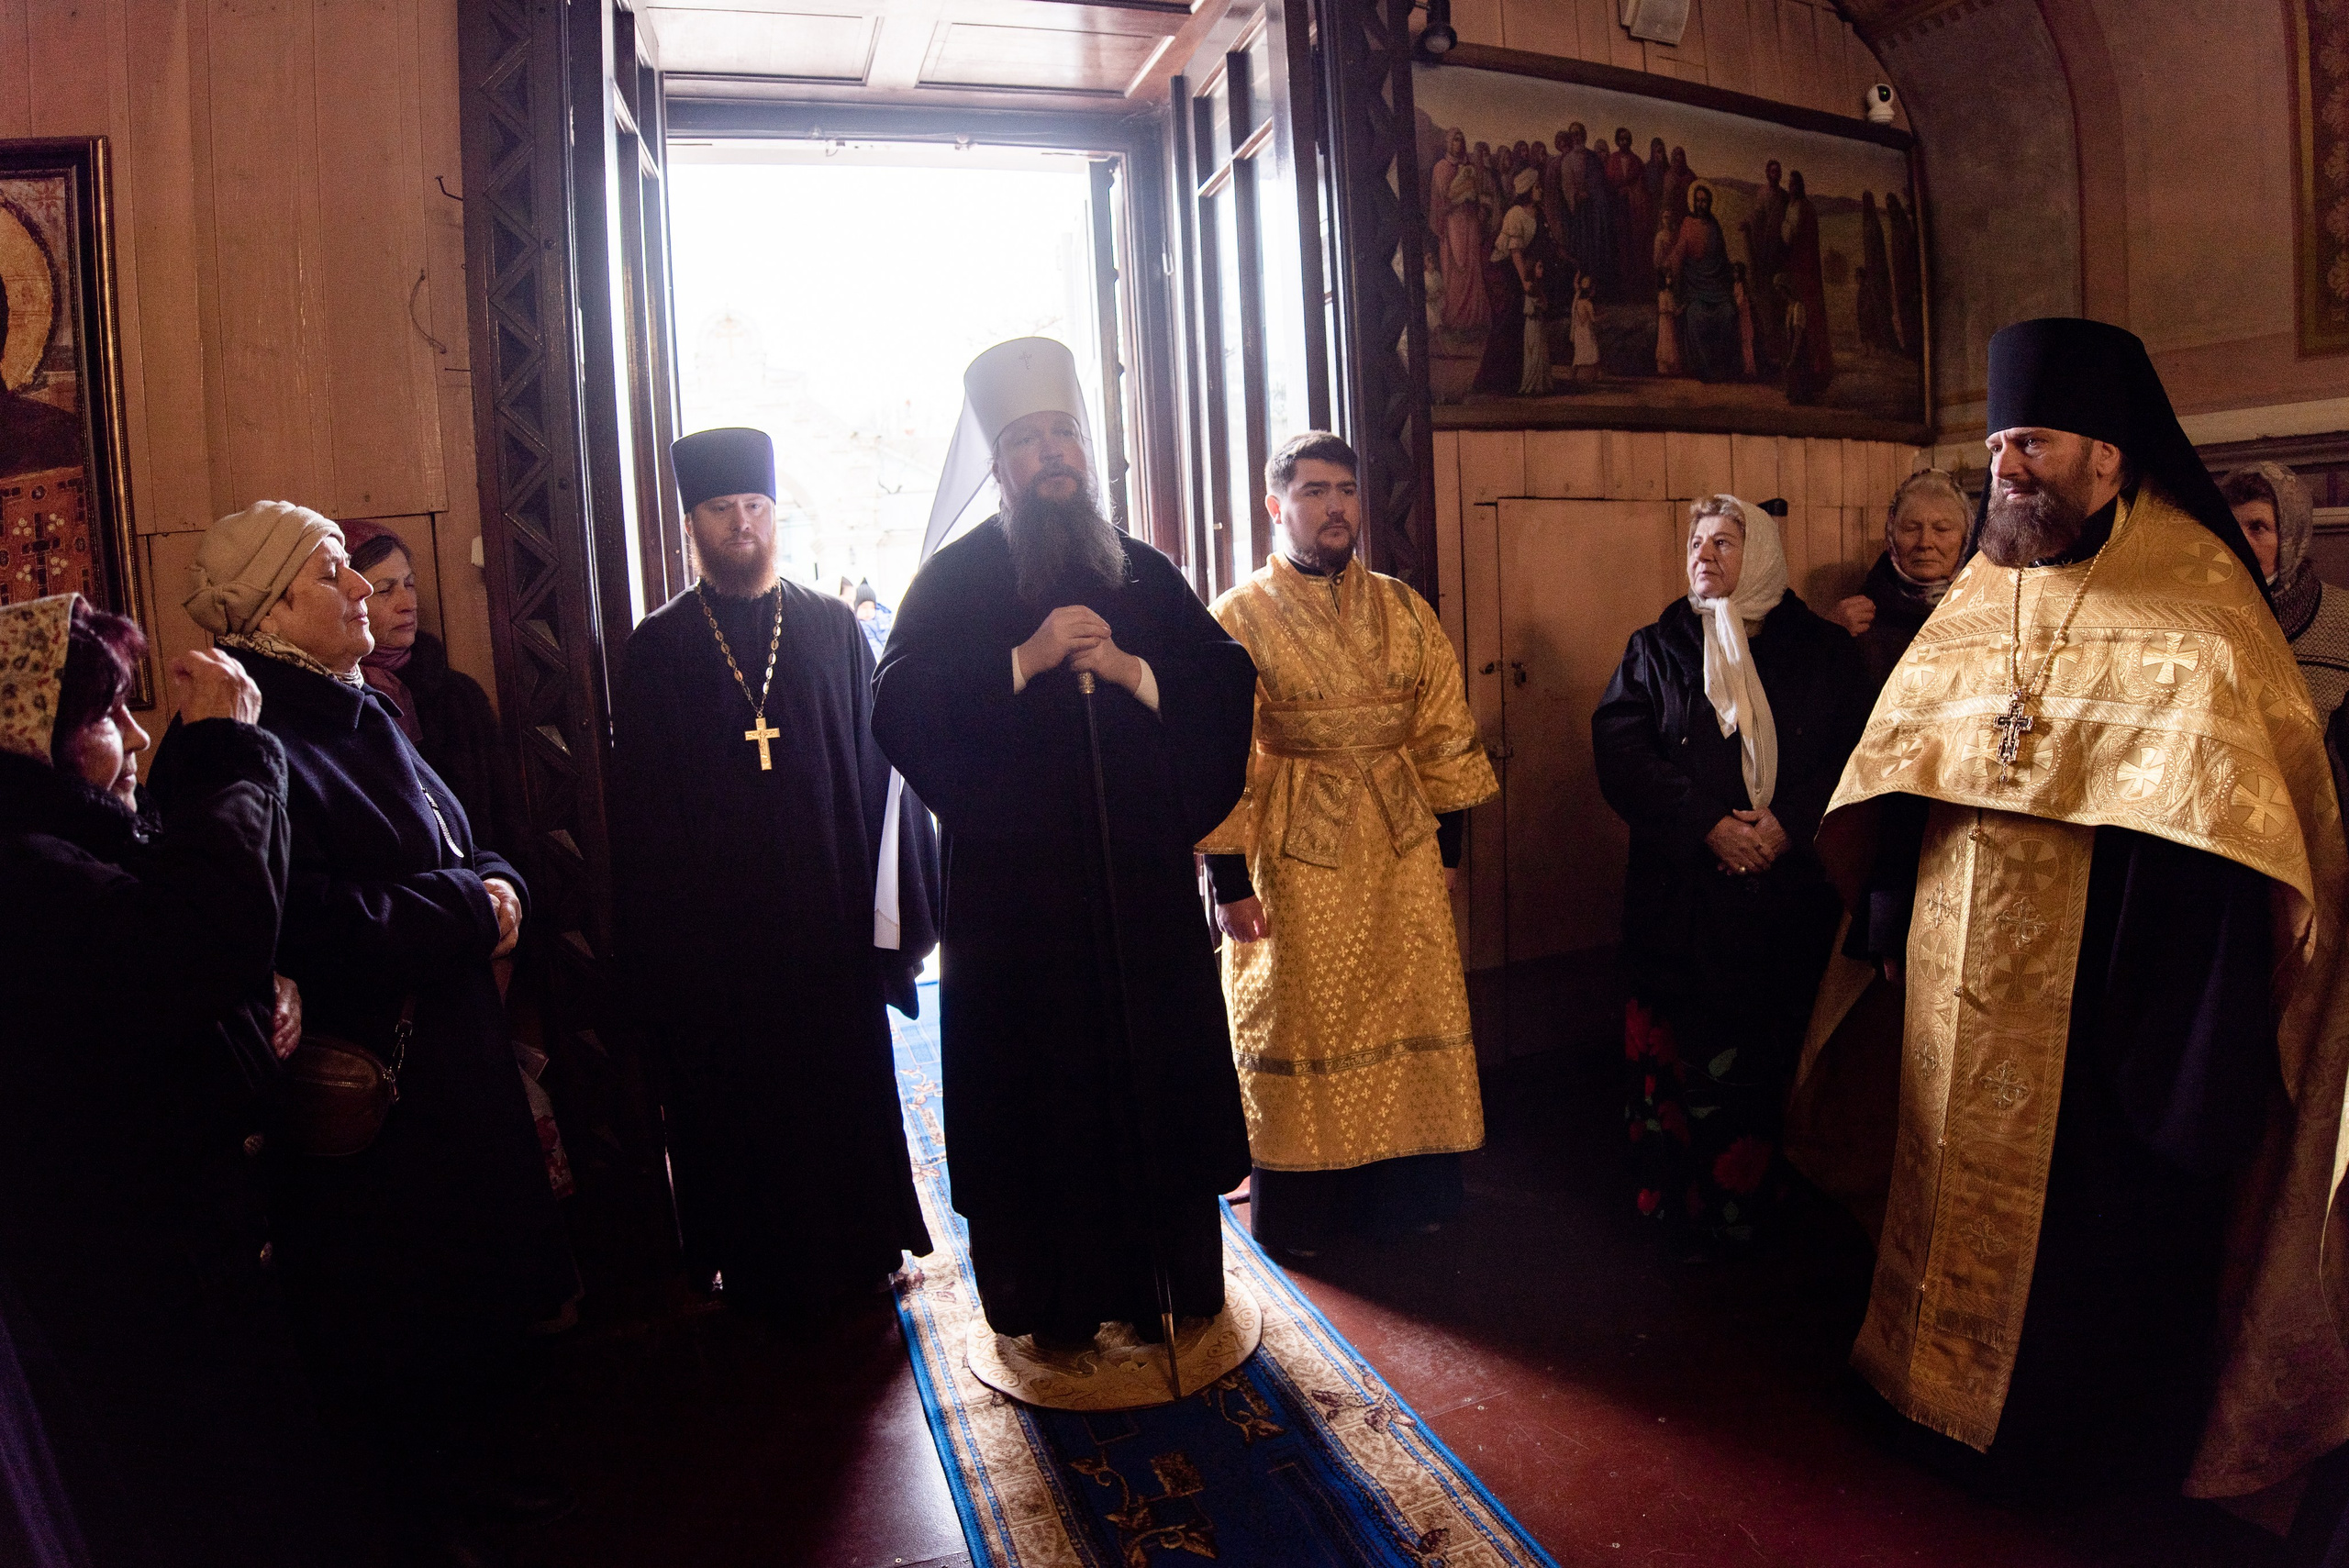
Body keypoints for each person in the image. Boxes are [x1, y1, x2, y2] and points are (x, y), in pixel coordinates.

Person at [1819, 317, 2349, 1502]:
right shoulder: (1977, 595)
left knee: (2090, 1248)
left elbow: (2232, 834)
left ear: (2109, 454)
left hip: (2112, 1001)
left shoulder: (2201, 604)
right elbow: (1905, 775)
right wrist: (1894, 915)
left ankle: (2063, 1444)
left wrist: (2169, 1017)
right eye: (2001, 440)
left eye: (2035, 442)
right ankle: (1922, 1397)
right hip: (1956, 985)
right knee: (1938, 1177)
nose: (2007, 466)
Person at [183, 500, 575, 1557]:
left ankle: (479, 1485)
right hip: (382, 1104)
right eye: (330, 576)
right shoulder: (257, 739)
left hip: (448, 1069)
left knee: (471, 1303)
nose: (363, 589)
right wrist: (471, 906)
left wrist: (498, 882)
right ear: (266, 610)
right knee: (406, 1327)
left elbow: (458, 837)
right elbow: (308, 922)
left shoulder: (357, 707)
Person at [872, 338, 1257, 1349]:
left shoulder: (1144, 570)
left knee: (1149, 1077)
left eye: (1064, 435)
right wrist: (1023, 657)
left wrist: (1131, 669)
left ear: (1089, 452)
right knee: (1039, 1097)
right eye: (1027, 440)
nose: (1051, 455)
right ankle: (1051, 1309)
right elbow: (900, 702)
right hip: (1015, 905)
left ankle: (1164, 1288)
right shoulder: (953, 581)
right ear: (997, 462)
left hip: (1138, 893)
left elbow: (1223, 687)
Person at [0, 596, 365, 1566]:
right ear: (30, 736)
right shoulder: (29, 867)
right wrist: (233, 755)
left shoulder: (82, 834)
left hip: (186, 1234)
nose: (133, 737)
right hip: (124, 1260)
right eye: (102, 718)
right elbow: (194, 946)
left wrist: (265, 986)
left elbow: (213, 937)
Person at [608, 428, 937, 1318]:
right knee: (735, 1102)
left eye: (755, 507)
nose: (742, 524)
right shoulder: (659, 647)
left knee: (841, 1088)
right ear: (692, 524)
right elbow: (639, 808)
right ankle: (750, 1260)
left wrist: (893, 915)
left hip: (829, 918)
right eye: (722, 510)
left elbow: (882, 777)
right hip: (720, 940)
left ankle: (867, 1245)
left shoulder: (830, 626)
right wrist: (667, 945)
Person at [1197, 434, 1497, 1258]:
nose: (1335, 507)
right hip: (1294, 852)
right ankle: (1309, 1213)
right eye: (1314, 490)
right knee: (1301, 1015)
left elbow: (1445, 731)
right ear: (1276, 505)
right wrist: (1229, 880)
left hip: (1401, 844)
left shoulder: (1404, 607)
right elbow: (1221, 757)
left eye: (1346, 491)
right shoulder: (1235, 615)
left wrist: (1450, 850)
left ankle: (1409, 1195)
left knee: (1410, 999)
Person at [1593, 496, 1866, 1243]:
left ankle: (1775, 1216)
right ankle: (1680, 1212)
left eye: (1724, 542)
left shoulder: (1824, 650)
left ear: (1767, 554)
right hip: (1681, 899)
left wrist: (1788, 825)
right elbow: (1622, 753)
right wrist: (1708, 826)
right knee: (1684, 1059)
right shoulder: (1656, 647)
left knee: (1774, 1055)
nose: (1704, 555)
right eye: (1695, 542)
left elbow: (1858, 755)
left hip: (1787, 903)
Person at [344, 521, 524, 858]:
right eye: (385, 590)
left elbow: (504, 821)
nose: (407, 603)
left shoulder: (458, 698)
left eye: (409, 584)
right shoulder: (334, 700)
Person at [2223, 462, 2349, 731]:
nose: (2239, 541)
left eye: (2257, 527)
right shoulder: (2202, 610)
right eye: (2230, 527)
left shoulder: (2341, 618)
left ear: (2292, 536)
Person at [1826, 468, 1971, 689]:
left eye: (1942, 529)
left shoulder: (1988, 606)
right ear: (1892, 536)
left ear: (1966, 537)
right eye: (1910, 529)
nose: (1925, 542)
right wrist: (1828, 634)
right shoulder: (1860, 617)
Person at [1664, 185, 1741, 383]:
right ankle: (1703, 369)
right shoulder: (1688, 224)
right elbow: (1679, 251)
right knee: (1695, 316)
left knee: (1729, 314)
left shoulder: (1715, 226)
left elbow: (1722, 259)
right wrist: (1669, 263)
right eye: (1697, 200)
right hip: (1696, 289)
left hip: (1717, 288)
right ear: (1693, 202)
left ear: (1710, 203)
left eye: (1704, 200)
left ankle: (1722, 368)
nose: (1700, 204)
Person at [1778, 172, 1834, 394]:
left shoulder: (1799, 208)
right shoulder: (1806, 207)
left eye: (1793, 185)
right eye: (1789, 184)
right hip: (1805, 268)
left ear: (1799, 187)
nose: (1791, 188)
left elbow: (1789, 237)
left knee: (1802, 318)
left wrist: (1784, 225)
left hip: (1801, 268)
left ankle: (1810, 373)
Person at [1741, 160, 1790, 372]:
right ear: (1766, 173)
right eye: (1772, 170)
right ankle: (1769, 351)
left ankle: (1782, 350)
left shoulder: (1784, 197)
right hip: (1765, 252)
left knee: (1780, 304)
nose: (1775, 174)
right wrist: (1747, 224)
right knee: (1766, 304)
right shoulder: (1762, 194)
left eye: (1778, 171)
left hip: (1779, 253)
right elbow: (1756, 216)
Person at [1571, 273, 1602, 382]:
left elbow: (1576, 285)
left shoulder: (1577, 302)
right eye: (1594, 289)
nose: (1595, 291)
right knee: (1594, 351)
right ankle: (1597, 375)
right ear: (1590, 290)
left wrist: (1577, 276)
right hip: (1587, 331)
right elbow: (1593, 319)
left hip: (1578, 331)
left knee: (1579, 354)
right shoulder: (1588, 303)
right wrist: (1604, 317)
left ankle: (1574, 375)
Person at [852, 580, 894, 659]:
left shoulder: (885, 620)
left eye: (872, 607)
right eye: (864, 607)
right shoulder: (859, 627)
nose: (868, 611)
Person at [1654, 268, 1684, 377]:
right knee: (1665, 340)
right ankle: (1665, 367)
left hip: (1669, 320)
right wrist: (1674, 311)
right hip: (1665, 320)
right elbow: (1664, 309)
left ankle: (1671, 368)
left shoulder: (1670, 293)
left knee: (1671, 340)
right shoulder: (1663, 294)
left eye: (1670, 277)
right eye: (1667, 277)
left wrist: (1679, 309)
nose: (1669, 279)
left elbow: (1673, 309)